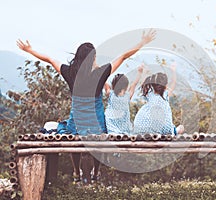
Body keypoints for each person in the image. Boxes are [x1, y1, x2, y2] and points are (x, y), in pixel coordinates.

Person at [17, 29, 156, 184]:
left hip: (76, 124)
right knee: (98, 136)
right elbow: (123, 56)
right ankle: (95, 172)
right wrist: (142, 43)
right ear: (92, 58)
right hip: (96, 125)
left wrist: (29, 50)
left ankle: (77, 171)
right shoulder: (100, 73)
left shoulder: (69, 72)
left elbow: (50, 59)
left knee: (68, 133)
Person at [133, 63, 184, 135]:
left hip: (141, 128)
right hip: (162, 130)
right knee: (181, 128)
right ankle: (176, 131)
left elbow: (143, 83)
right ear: (165, 86)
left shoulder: (149, 94)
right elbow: (173, 82)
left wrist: (143, 72)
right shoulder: (165, 94)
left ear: (153, 85)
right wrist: (173, 71)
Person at [105, 64, 144, 135]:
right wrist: (139, 72)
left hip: (111, 128)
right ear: (126, 85)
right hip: (124, 129)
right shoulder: (127, 96)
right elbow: (134, 84)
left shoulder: (110, 94)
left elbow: (104, 82)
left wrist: (104, 72)